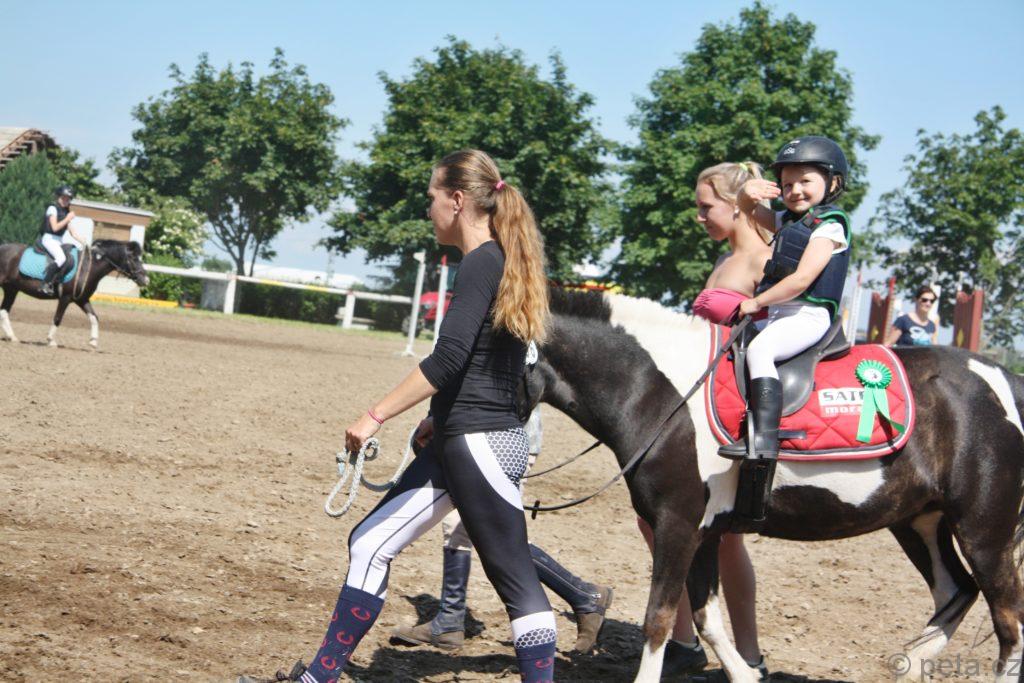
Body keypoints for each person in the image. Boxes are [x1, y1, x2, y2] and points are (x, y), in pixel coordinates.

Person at [243, 150, 556, 683]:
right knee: (369, 543)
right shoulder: (500, 259)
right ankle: (318, 678)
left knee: (518, 583)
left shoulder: (482, 262)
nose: (427, 209)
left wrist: (376, 415)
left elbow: (449, 358)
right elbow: (488, 361)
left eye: (431, 198)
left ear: (457, 200)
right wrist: (438, 414)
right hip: (465, 438)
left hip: (477, 443)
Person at [638, 161, 770, 679]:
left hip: (732, 412)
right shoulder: (724, 259)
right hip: (704, 406)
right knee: (662, 523)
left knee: (725, 538)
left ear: (737, 205)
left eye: (705, 206)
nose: (699, 215)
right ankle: (686, 639)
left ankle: (749, 651)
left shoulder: (764, 258)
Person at [390, 406, 613, 653]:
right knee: (459, 528)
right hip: (474, 439)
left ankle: (585, 596)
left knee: (500, 537)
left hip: (500, 440)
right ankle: (450, 620)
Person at [719, 136, 852, 525]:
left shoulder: (830, 226)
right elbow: (752, 215)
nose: (795, 190)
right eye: (788, 183)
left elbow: (801, 279)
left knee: (762, 351)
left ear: (833, 183)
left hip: (808, 315)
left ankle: (762, 439)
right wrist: (745, 196)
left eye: (805, 181)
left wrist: (755, 302)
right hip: (780, 313)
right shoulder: (790, 221)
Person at [39, 185, 86, 295]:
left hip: (59, 240)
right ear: (58, 197)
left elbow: (73, 233)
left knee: (71, 256)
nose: (66, 200)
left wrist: (85, 243)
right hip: (49, 239)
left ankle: (58, 282)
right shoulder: (52, 208)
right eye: (63, 197)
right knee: (61, 258)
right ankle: (45, 284)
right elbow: (55, 227)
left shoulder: (65, 212)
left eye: (68, 198)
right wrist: (68, 218)